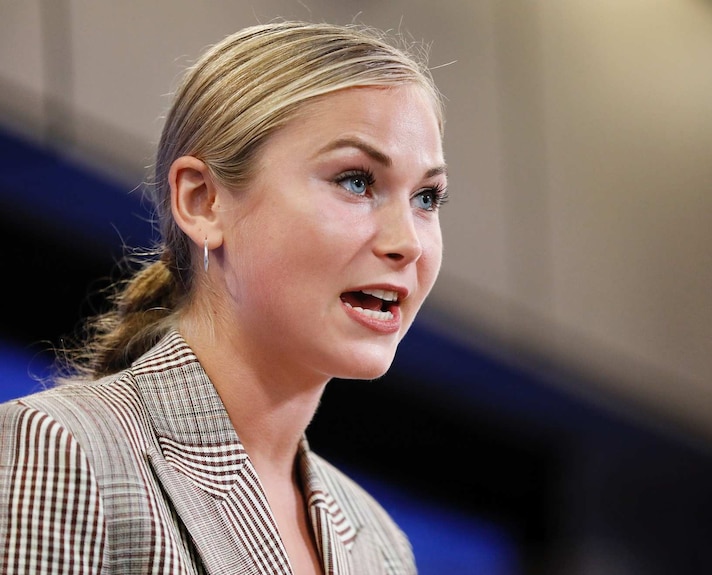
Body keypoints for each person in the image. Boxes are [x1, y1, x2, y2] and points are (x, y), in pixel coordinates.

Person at [0, 20, 448, 574]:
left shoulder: (378, 544)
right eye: (356, 181)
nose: (407, 242)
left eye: (427, 197)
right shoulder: (65, 451)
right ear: (203, 200)